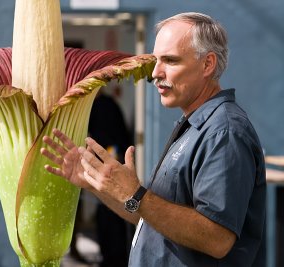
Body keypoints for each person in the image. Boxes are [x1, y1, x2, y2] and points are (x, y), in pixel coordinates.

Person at [41, 12, 266, 266]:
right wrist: (97, 184)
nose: (155, 73)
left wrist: (135, 194)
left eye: (170, 61)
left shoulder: (224, 132)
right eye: (156, 60)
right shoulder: (195, 125)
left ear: (208, 64)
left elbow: (217, 238)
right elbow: (149, 217)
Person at [89, 90, 133, 267]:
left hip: (111, 164)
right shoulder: (99, 105)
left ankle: (115, 257)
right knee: (105, 210)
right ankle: (109, 256)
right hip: (101, 164)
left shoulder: (107, 105)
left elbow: (117, 138)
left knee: (113, 213)